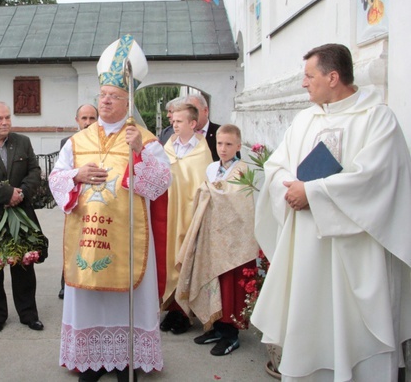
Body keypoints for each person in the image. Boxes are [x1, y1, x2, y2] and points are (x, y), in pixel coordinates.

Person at [252, 43, 411, 381]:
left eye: (310, 76)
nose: (304, 83)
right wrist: (290, 187)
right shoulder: (304, 120)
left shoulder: (377, 119)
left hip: (356, 252)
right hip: (309, 249)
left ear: (333, 77)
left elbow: (378, 178)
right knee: (311, 323)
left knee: (355, 331)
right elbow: (276, 165)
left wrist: (312, 192)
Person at [49, 35, 171, 382]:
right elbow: (56, 179)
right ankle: (92, 362)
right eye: (102, 95)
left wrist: (138, 155)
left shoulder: (143, 139)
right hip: (87, 235)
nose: (105, 100)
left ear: (127, 101)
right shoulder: (78, 140)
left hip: (126, 239)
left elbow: (161, 183)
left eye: (114, 96)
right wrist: (77, 174)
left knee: (124, 302)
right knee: (88, 300)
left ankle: (123, 363)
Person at [175, 124, 259, 356]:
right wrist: (208, 191)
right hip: (211, 237)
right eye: (220, 143)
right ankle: (215, 326)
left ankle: (231, 334)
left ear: (239, 146)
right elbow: (205, 194)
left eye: (229, 144)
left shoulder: (244, 171)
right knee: (213, 282)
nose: (223, 149)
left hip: (233, 241)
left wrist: (212, 193)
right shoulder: (212, 169)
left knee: (230, 283)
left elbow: (243, 206)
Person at [0, 101, 43, 334]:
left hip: (21, 215)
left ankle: (28, 314)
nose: (5, 122)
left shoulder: (23, 142)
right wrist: (6, 194)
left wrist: (20, 193)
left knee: (23, 268)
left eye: (7, 118)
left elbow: (35, 171)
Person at [159, 102, 212, 334]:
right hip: (169, 213)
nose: (174, 125)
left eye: (179, 121)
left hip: (190, 215)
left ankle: (184, 312)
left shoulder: (203, 152)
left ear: (193, 123)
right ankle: (170, 307)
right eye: (173, 121)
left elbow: (205, 186)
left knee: (186, 259)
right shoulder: (168, 146)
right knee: (169, 258)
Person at [58, 103, 98, 299]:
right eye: (84, 118)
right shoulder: (69, 142)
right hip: (76, 205)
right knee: (72, 244)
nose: (88, 123)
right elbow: (60, 175)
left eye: (92, 118)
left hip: (99, 205)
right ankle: (67, 283)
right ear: (77, 121)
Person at [185, 94, 220, 161]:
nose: (190, 115)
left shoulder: (220, 132)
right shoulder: (182, 135)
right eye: (188, 112)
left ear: (205, 111)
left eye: (194, 111)